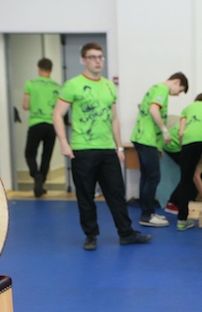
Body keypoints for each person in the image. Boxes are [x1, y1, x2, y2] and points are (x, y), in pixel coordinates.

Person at [52, 42, 151, 251]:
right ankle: (91, 235)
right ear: (83, 60)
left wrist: (119, 147)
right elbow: (57, 114)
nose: (98, 61)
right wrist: (64, 143)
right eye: (92, 57)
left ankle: (126, 233)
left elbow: (114, 118)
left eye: (100, 57)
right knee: (85, 195)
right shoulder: (73, 85)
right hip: (83, 149)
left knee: (116, 193)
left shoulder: (108, 86)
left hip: (107, 150)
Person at [131, 72, 188, 227]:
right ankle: (147, 215)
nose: (178, 94)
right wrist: (165, 130)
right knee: (153, 177)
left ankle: (147, 212)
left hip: (143, 138)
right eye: (180, 90)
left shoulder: (155, 88)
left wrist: (159, 147)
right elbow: (154, 110)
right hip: (147, 139)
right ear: (176, 82)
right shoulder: (162, 89)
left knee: (146, 176)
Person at [164, 93, 202, 232]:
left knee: (185, 179)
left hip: (189, 141)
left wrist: (185, 149)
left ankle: (182, 220)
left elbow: (181, 133)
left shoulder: (188, 108)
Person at [22, 58, 61, 197]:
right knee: (46, 155)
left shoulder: (30, 84)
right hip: (51, 125)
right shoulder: (57, 87)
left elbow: (25, 106)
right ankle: (41, 183)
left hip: (36, 123)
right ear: (51, 69)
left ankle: (36, 175)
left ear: (39, 68)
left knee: (30, 153)